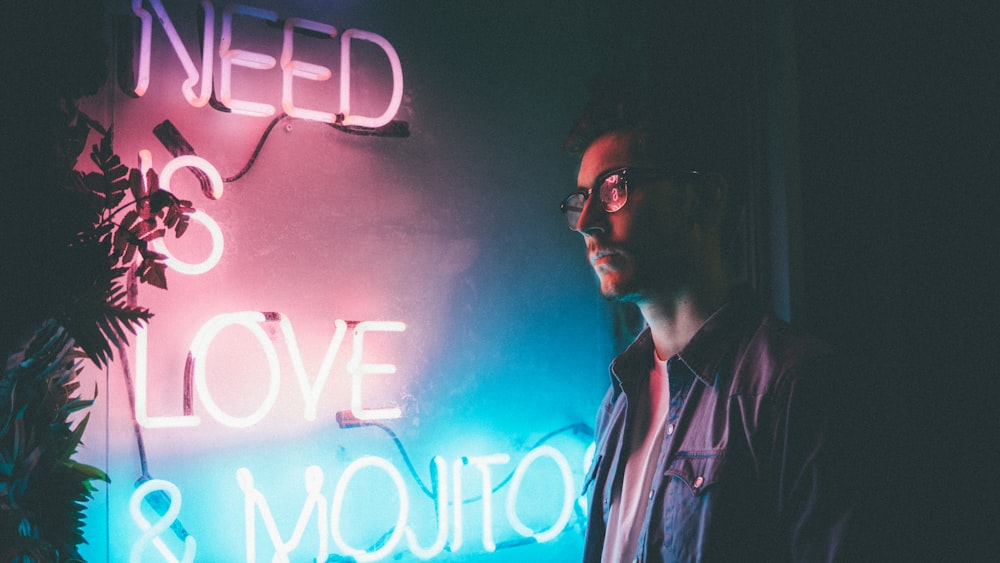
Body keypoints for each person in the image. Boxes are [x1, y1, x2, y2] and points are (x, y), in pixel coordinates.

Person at [561, 95, 870, 562]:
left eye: (613, 188)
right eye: (581, 200)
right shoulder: (618, 402)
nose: (587, 223)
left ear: (703, 199)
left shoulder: (792, 388)